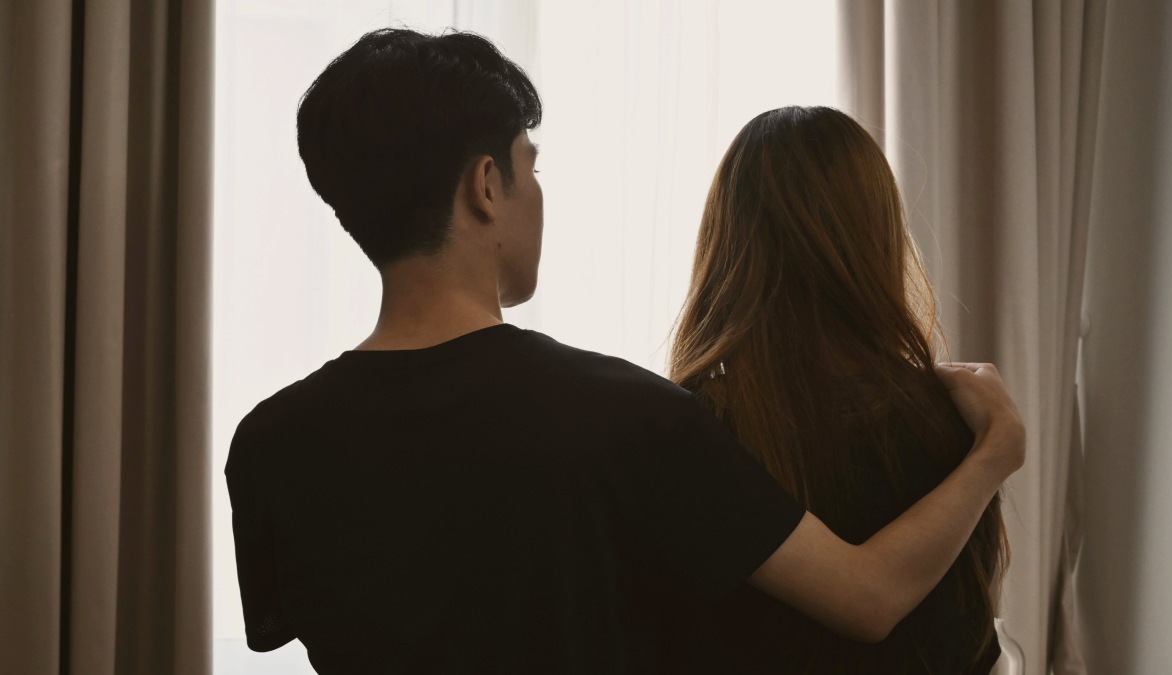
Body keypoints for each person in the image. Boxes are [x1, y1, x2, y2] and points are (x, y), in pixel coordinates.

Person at [225, 29, 1024, 673]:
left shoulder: (267, 445)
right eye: (530, 167)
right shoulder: (631, 418)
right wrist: (995, 450)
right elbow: (867, 596)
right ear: (486, 186)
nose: (537, 192)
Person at [665, 105, 1009, 674]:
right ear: (879, 235)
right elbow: (970, 644)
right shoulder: (952, 421)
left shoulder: (699, 427)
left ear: (730, 242)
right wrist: (995, 450)